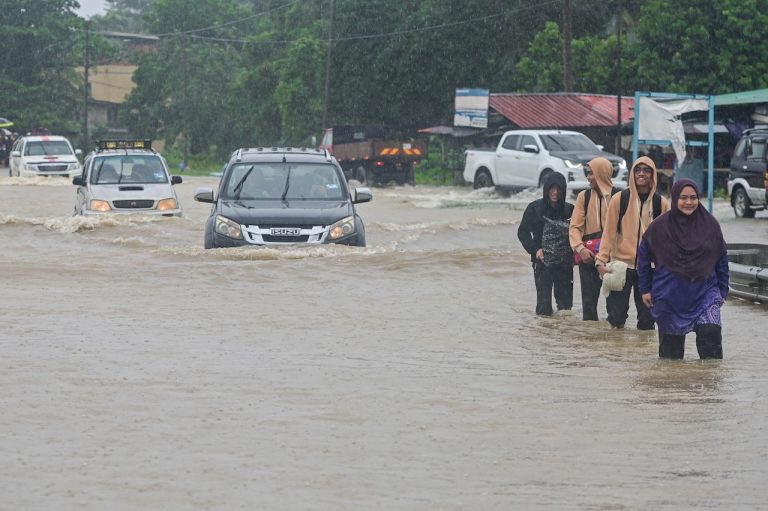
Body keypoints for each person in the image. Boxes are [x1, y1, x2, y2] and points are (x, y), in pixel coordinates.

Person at [637, 179, 728, 359]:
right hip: (669, 294)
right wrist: (645, 289)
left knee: (711, 339)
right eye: (683, 197)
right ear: (675, 198)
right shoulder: (659, 227)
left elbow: (721, 257)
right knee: (671, 358)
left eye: (693, 197)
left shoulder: (710, 225)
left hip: (705, 293)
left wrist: (722, 291)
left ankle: (709, 384)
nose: (689, 202)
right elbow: (644, 257)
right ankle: (675, 387)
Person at [595, 156, 670, 329]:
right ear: (632, 173)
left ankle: (642, 355)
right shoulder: (619, 200)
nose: (641, 174)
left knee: (647, 322)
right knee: (616, 319)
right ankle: (618, 355)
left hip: (649, 269)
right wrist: (600, 261)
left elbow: (668, 240)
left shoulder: (661, 204)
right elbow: (608, 234)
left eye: (646, 170)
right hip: (620, 267)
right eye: (637, 169)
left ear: (653, 175)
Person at [517, 172, 575, 316]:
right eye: (552, 188)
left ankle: (562, 335)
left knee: (565, 308)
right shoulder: (534, 208)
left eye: (559, 189)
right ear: (546, 189)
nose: (555, 192)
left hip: (565, 265)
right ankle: (544, 335)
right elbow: (522, 232)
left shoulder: (570, 210)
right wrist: (535, 250)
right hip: (542, 263)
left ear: (564, 190)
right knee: (544, 308)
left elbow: (578, 233)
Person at [568, 157, 616, 321]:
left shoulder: (620, 196)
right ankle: (589, 344)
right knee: (588, 308)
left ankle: (612, 344)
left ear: (602, 174)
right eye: (587, 173)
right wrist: (580, 249)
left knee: (615, 310)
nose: (588, 177)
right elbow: (574, 227)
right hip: (588, 256)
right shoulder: (584, 196)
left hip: (613, 259)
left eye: (591, 173)